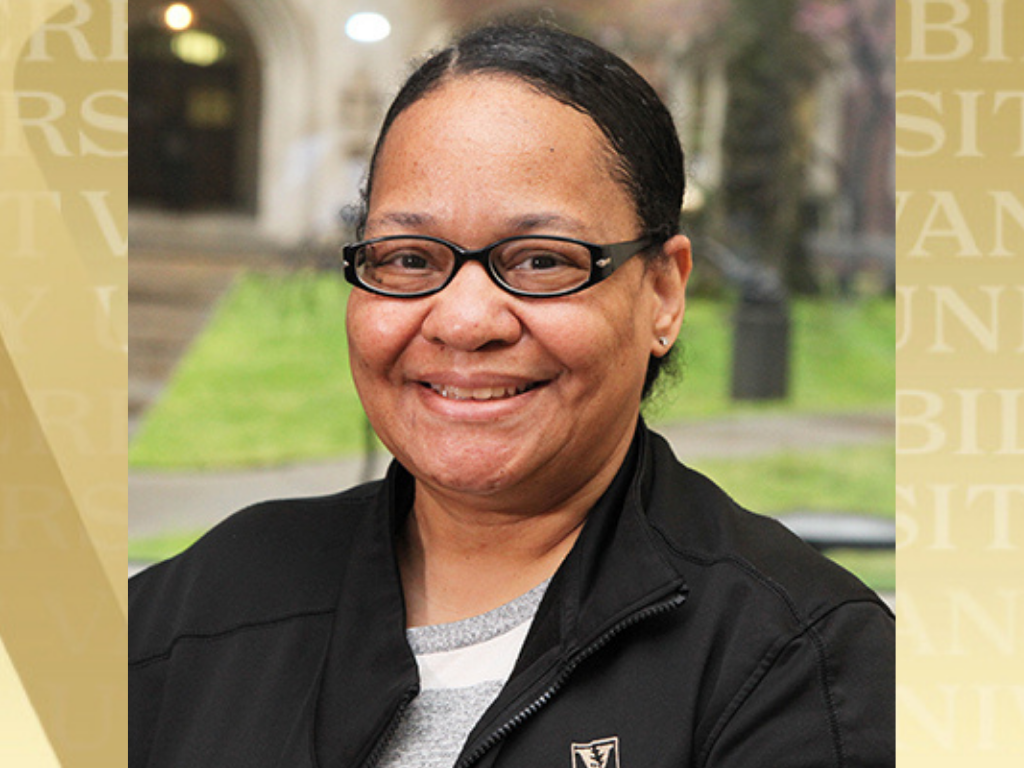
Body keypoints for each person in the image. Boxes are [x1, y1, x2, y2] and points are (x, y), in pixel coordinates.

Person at [130, 23, 894, 768]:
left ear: (663, 292)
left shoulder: (802, 665)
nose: (464, 321)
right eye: (408, 256)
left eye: (539, 260)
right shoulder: (198, 613)